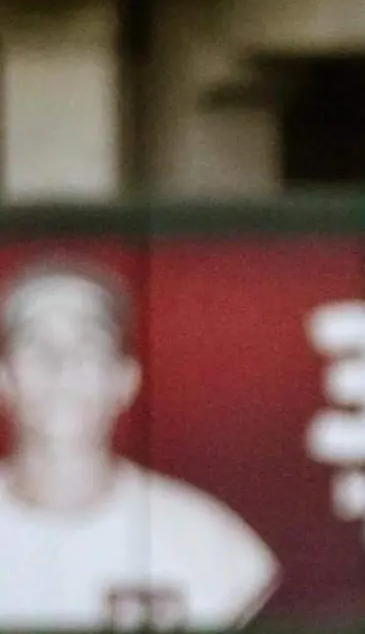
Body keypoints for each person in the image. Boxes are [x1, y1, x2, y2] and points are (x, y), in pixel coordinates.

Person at [0, 259, 280, 632]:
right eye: (37, 344)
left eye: (89, 345)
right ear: (4, 378)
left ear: (125, 380)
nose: (62, 366)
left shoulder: (210, 543)